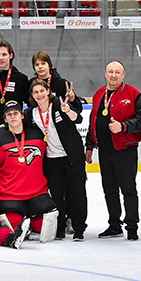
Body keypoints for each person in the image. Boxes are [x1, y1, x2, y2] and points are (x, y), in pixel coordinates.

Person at [0, 101, 59, 242]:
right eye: (9, 114)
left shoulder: (38, 133)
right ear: (5, 119)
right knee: (15, 228)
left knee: (43, 228)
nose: (13, 117)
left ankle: (32, 219)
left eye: (16, 113)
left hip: (37, 192)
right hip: (10, 194)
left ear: (22, 115)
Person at [85, 61, 141, 240]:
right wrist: (89, 146)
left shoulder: (133, 94)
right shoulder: (99, 94)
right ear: (105, 73)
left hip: (125, 150)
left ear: (123, 74)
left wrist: (124, 126)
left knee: (128, 189)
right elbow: (93, 122)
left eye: (117, 72)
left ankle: (132, 227)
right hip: (104, 151)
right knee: (109, 189)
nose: (114, 75)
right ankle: (114, 225)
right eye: (110, 72)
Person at [27, 79, 87, 241]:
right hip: (51, 159)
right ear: (32, 95)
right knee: (56, 195)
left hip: (72, 156)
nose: (39, 94)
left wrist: (68, 111)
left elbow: (78, 119)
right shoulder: (32, 113)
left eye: (42, 90)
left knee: (77, 193)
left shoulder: (59, 104)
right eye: (36, 92)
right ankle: (60, 228)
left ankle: (79, 228)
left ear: (48, 91)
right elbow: (17, 123)